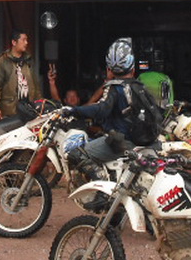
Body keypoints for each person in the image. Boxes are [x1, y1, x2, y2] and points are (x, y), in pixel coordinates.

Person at [65, 39, 162, 191]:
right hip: (144, 140)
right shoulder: (139, 86)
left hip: (123, 142)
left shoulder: (115, 88)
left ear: (109, 69)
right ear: (132, 68)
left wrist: (75, 110)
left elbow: (101, 109)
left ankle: (102, 189)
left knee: (76, 154)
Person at [0, 30, 41, 121]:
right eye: (23, 40)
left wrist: (40, 102)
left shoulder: (28, 59)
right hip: (10, 109)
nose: (26, 43)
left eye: (27, 40)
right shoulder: (2, 61)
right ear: (14, 42)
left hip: (29, 108)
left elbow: (35, 84)